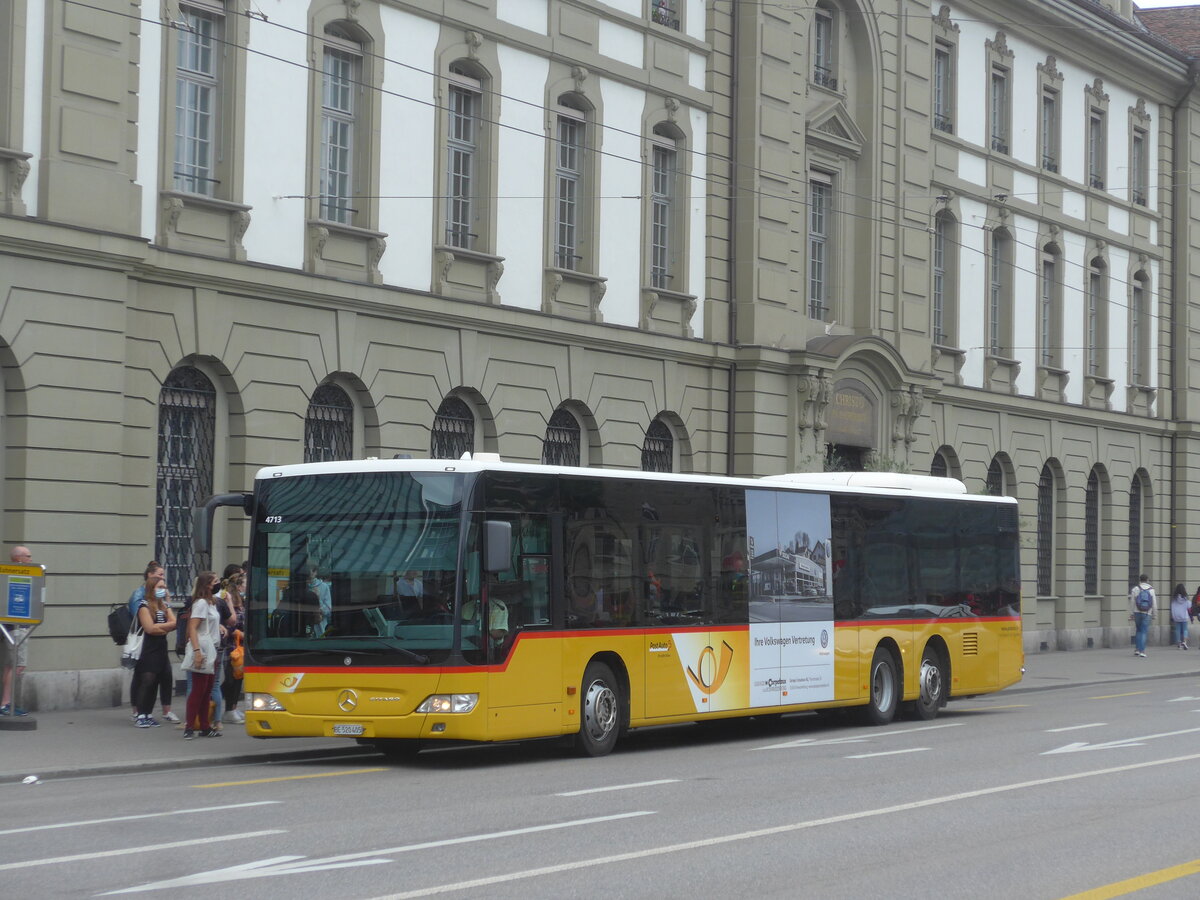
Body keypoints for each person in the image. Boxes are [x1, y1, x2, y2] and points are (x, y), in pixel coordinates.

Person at [126, 560, 179, 723]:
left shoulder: (162, 605)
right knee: (147, 679)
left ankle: (148, 714)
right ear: (151, 587)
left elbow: (174, 623)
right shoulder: (143, 604)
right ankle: (141, 714)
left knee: (158, 679)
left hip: (161, 647)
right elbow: (149, 628)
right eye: (160, 587)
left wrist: (161, 626)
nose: (164, 590)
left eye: (164, 587)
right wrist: (164, 627)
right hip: (147, 647)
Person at [182, 572, 224, 739]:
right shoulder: (200, 603)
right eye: (216, 581)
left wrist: (220, 628)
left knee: (206, 690)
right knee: (199, 690)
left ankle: (205, 726)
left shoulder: (211, 602)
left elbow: (209, 624)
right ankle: (189, 727)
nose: (218, 583)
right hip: (204, 649)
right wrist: (197, 651)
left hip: (212, 649)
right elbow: (192, 627)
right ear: (207, 585)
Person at [1, 545, 34, 716]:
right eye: (28, 556)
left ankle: (6, 704)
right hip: (16, 627)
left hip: (14, 626)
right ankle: (5, 704)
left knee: (10, 665)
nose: (31, 559)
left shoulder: (10, 575)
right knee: (18, 665)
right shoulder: (15, 575)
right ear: (19, 558)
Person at [221, 569, 247, 724]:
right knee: (231, 679)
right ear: (238, 586)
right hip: (232, 647)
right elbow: (229, 624)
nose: (246, 586)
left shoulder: (242, 603)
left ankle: (234, 707)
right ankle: (228, 709)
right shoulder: (229, 603)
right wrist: (239, 633)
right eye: (244, 583)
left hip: (241, 646)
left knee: (238, 678)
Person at [1129, 574, 1156, 658]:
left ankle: (1137, 650)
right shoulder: (1151, 590)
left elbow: (1132, 602)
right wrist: (1154, 614)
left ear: (1140, 580)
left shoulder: (1135, 589)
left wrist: (1131, 613)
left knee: (1138, 630)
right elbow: (1154, 603)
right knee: (1144, 631)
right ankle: (1142, 651)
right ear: (1147, 580)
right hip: (1147, 613)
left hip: (1137, 612)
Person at [1170, 583, 1190, 650]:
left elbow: (1172, 607)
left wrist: (1173, 616)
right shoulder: (1186, 598)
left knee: (1177, 630)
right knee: (1185, 630)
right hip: (1184, 616)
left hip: (1177, 616)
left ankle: (1179, 644)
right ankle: (1184, 641)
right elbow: (1189, 606)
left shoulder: (1174, 598)